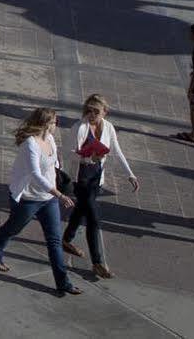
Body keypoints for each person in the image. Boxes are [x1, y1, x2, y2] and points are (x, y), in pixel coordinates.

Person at [0, 108, 81, 297]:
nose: (56, 125)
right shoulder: (30, 144)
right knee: (13, 228)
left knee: (54, 241)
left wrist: (58, 177)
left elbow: (53, 164)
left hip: (48, 199)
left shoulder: (50, 139)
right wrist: (59, 194)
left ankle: (63, 283)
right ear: (45, 124)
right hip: (28, 199)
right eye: (54, 122)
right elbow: (35, 174)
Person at [61, 94, 139, 280]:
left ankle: (65, 239)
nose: (92, 114)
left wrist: (130, 174)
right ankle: (97, 263)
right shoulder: (79, 128)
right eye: (88, 109)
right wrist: (87, 158)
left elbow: (117, 150)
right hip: (81, 179)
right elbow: (67, 153)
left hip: (97, 179)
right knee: (93, 218)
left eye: (96, 111)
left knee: (80, 210)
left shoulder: (108, 127)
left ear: (105, 112)